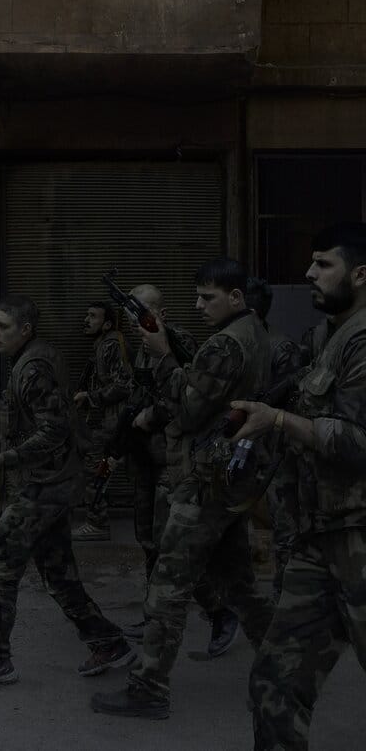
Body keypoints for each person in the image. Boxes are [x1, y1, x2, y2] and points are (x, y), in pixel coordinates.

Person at [91, 258, 276, 719]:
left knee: (168, 588)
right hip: (230, 479)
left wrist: (161, 353)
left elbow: (190, 409)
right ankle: (283, 669)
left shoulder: (224, 344)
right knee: (240, 584)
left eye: (207, 297)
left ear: (235, 297)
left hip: (204, 483)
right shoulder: (255, 332)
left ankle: (149, 689)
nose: (198, 306)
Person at [0, 295, 135, 686]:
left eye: (3, 327)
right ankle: (108, 641)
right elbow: (31, 421)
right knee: (57, 572)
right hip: (53, 481)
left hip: (45, 485)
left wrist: (7, 458)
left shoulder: (33, 368)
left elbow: (54, 430)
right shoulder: (32, 358)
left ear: (25, 330)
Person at [235, 223, 366, 750]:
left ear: (360, 274)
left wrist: (278, 420)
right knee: (275, 681)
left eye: (323, 263)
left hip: (359, 537)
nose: (309, 273)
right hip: (321, 538)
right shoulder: (330, 336)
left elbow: (358, 442)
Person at [118, 285, 237, 657]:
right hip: (147, 455)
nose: (133, 318)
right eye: (129, 311)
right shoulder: (143, 345)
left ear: (162, 313)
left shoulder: (177, 343)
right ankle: (153, 616)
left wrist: (150, 416)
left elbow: (189, 399)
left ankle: (220, 612)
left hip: (174, 460)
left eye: (142, 310)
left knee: (172, 546)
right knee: (149, 542)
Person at [244, 277, 306, 602]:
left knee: (284, 530)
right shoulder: (240, 344)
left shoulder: (282, 348)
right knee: (251, 524)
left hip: (276, 454)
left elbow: (292, 407)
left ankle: (284, 601)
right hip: (248, 449)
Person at [72, 300, 133, 542]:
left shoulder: (111, 345)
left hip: (114, 421)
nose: (86, 320)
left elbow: (124, 384)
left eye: (93, 316)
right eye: (86, 315)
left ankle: (97, 523)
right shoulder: (102, 344)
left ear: (107, 324)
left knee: (94, 469)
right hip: (109, 420)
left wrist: (91, 397)